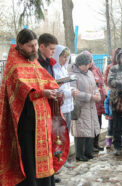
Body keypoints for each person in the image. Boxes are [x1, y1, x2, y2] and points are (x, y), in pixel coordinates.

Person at [0, 29, 69, 186]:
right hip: (25, 120)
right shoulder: (14, 63)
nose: (34, 49)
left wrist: (54, 91)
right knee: (29, 155)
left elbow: (46, 80)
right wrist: (41, 92)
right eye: (30, 46)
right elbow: (19, 88)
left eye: (35, 45)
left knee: (44, 153)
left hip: (42, 120)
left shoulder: (33, 60)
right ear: (20, 45)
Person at [37, 33, 64, 183]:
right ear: (42, 47)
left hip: (51, 103)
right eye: (52, 49)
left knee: (53, 140)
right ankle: (46, 175)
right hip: (41, 107)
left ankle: (51, 172)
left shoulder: (50, 63)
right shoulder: (37, 63)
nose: (53, 52)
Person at [69, 53, 101, 161]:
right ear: (79, 64)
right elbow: (75, 93)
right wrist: (91, 97)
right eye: (85, 65)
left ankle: (88, 152)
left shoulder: (90, 73)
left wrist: (97, 94)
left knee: (90, 129)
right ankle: (79, 154)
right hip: (81, 107)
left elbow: (95, 86)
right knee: (80, 131)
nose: (87, 67)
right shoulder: (73, 75)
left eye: (88, 64)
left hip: (91, 106)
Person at [52, 45, 78, 167]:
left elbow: (65, 86)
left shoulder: (63, 68)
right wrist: (69, 93)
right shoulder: (54, 69)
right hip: (60, 108)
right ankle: (58, 161)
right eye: (63, 56)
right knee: (58, 136)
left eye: (67, 57)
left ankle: (63, 159)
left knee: (65, 136)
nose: (65, 59)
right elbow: (55, 89)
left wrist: (72, 89)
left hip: (68, 107)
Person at [82, 50, 106, 152]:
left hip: (99, 101)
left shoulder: (96, 69)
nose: (90, 62)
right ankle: (90, 146)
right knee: (90, 124)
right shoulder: (84, 71)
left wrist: (104, 94)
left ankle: (96, 143)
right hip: (90, 101)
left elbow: (102, 83)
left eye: (91, 59)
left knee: (98, 123)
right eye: (88, 60)